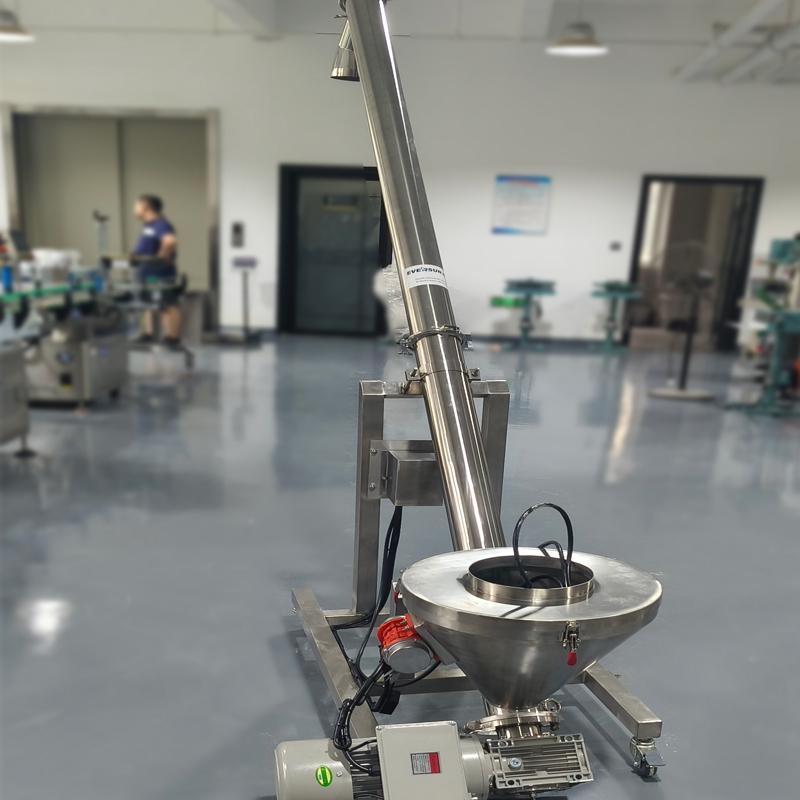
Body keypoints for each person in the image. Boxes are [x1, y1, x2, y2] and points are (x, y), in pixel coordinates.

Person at [132, 195, 181, 346]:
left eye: (136, 205)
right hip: (148, 273)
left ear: (145, 207)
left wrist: (160, 257)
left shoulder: (160, 224)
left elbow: (170, 241)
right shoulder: (149, 225)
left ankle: (172, 337)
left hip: (160, 273)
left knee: (166, 304)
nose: (134, 209)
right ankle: (149, 333)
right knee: (150, 303)